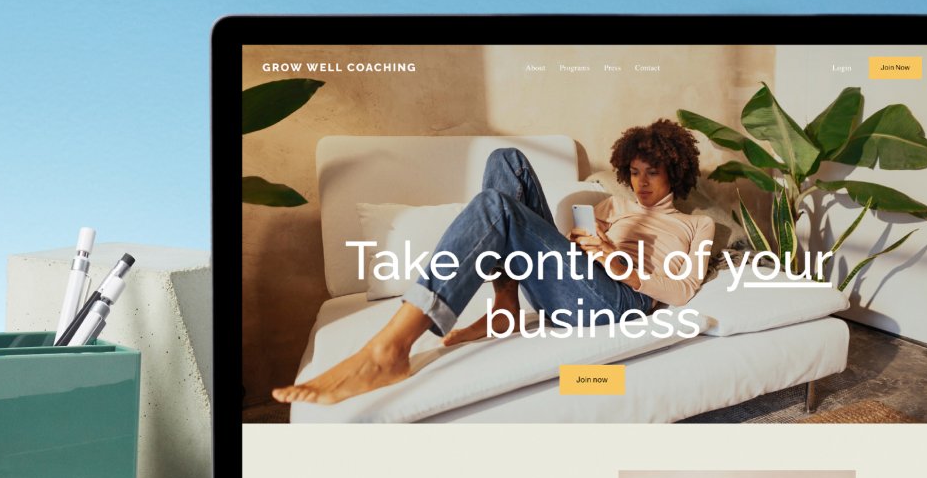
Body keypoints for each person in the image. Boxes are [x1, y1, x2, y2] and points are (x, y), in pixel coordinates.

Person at [272, 119, 714, 406]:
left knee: (493, 207)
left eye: (652, 172)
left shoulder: (696, 226)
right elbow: (559, 255)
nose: (641, 183)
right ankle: (506, 302)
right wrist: (581, 246)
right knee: (507, 162)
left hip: (620, 300)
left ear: (674, 172)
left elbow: (682, 290)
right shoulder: (613, 207)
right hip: (578, 285)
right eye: (634, 172)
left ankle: (391, 348)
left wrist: (621, 265)